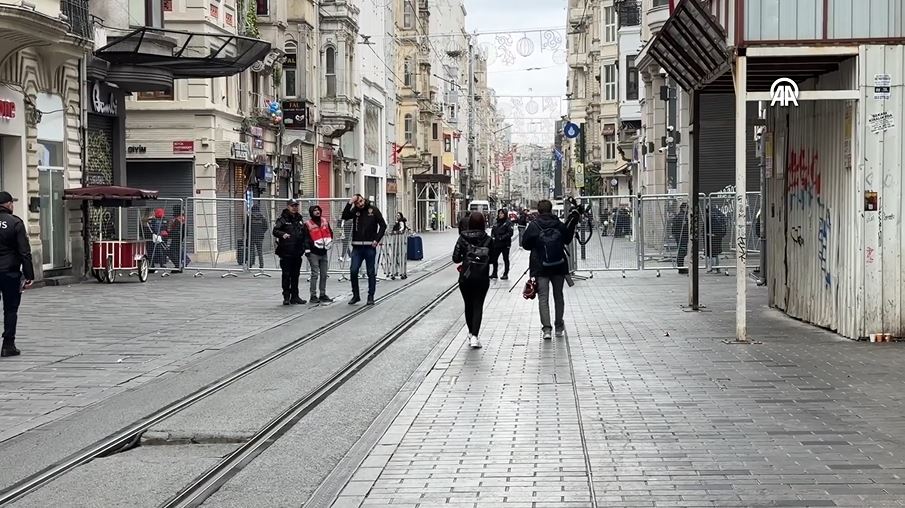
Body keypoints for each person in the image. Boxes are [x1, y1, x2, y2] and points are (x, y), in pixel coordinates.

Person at [521, 199, 579, 340]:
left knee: (543, 298)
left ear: (539, 211)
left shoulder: (534, 226)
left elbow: (525, 245)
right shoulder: (558, 224)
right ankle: (559, 326)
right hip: (559, 265)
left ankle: (547, 329)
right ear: (551, 209)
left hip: (540, 266)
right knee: (558, 296)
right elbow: (567, 239)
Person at [452, 212, 493, 349]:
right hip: (482, 276)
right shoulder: (488, 239)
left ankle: (470, 332)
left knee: (468, 304)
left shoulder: (462, 238)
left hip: (466, 277)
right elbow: (492, 259)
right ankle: (475, 336)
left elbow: (456, 258)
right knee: (478, 305)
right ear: (483, 223)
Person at [0, 192, 33, 357]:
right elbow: (24, 252)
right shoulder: (15, 223)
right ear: (8, 204)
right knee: (10, 309)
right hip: (10, 272)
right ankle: (8, 344)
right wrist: (29, 275)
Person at [341, 194, 387, 305]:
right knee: (353, 271)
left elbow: (383, 225)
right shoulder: (355, 211)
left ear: (363, 199)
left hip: (369, 246)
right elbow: (345, 216)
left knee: (371, 272)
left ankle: (371, 296)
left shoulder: (373, 210)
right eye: (357, 203)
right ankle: (356, 295)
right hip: (357, 247)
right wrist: (349, 203)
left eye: (361, 201)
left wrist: (377, 239)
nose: (360, 204)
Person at [273, 199, 308, 305]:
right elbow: (275, 230)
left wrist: (305, 247)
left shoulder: (299, 219)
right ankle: (286, 296)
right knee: (286, 275)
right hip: (286, 251)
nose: (295, 208)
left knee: (295, 275)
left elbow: (304, 233)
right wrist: (282, 234)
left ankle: (295, 296)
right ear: (288, 206)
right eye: (292, 206)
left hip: (297, 252)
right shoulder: (283, 219)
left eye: (296, 206)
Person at [304, 205, 334, 304]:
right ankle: (313, 295)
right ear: (311, 213)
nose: (317, 212)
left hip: (323, 251)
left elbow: (330, 232)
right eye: (315, 210)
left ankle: (322, 294)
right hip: (313, 253)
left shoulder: (324, 221)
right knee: (315, 274)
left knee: (324, 274)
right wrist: (307, 249)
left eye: (318, 210)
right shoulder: (308, 224)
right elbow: (305, 238)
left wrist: (329, 242)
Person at [489, 208, 513, 280]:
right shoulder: (496, 222)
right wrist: (493, 237)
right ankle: (494, 273)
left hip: (505, 244)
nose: (500, 215)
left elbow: (510, 233)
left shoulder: (508, 223)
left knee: (505, 259)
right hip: (496, 244)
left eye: (502, 213)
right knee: (494, 258)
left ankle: (505, 274)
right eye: (499, 213)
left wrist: (502, 237)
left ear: (505, 214)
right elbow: (493, 231)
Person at [706, 205, 727, 273]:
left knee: (711, 253)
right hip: (717, 237)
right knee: (715, 253)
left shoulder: (711, 217)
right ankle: (717, 267)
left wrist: (709, 234)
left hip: (711, 237)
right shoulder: (719, 216)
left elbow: (707, 227)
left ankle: (712, 267)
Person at [248, 203, 268, 270]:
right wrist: (262, 232)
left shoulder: (249, 217)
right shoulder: (262, 217)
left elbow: (246, 227)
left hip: (251, 236)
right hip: (260, 237)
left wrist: (248, 233)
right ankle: (261, 265)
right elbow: (266, 227)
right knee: (260, 251)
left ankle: (250, 264)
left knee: (251, 250)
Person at [168, 205, 189, 270]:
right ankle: (183, 261)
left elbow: (173, 227)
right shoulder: (182, 217)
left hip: (177, 236)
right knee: (177, 249)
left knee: (172, 250)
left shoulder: (178, 219)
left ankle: (178, 264)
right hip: (178, 235)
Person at [671, 203, 690, 275]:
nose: (688, 210)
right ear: (684, 208)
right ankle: (681, 268)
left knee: (682, 251)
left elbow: (673, 228)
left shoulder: (678, 216)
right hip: (682, 237)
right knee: (682, 251)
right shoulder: (682, 217)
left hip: (680, 237)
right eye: (687, 208)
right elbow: (685, 228)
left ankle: (681, 267)